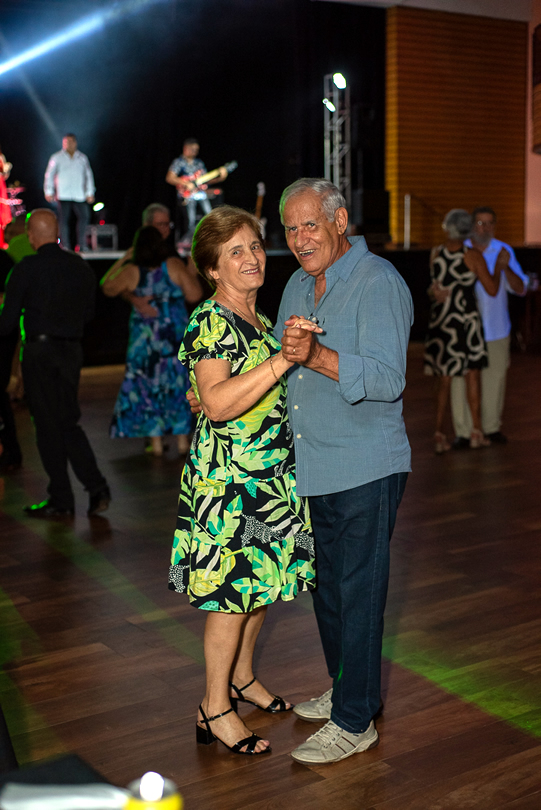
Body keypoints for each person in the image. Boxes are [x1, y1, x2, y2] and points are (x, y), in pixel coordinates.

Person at [263, 177, 410, 765]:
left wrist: (318, 356)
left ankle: (355, 719)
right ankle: (348, 687)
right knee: (327, 594)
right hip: (313, 465)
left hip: (365, 466)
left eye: (310, 224)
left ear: (340, 221)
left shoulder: (378, 281)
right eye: (290, 228)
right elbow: (281, 366)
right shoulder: (297, 285)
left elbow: (388, 378)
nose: (300, 238)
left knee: (359, 595)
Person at [169, 205, 317, 756]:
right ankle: (214, 708)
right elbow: (216, 402)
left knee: (261, 589)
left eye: (254, 245)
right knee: (231, 597)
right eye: (236, 251)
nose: (252, 257)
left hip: (269, 479)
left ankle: (242, 676)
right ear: (213, 269)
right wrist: (282, 360)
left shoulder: (259, 317)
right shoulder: (211, 320)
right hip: (231, 484)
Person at [0, 209, 110, 518]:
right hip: (71, 350)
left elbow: (7, 324)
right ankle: (96, 487)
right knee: (67, 421)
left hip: (40, 352)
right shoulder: (80, 266)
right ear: (58, 232)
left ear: (31, 236)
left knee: (47, 426)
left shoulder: (25, 268)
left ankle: (61, 498)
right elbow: (89, 314)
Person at [101, 225, 203, 456]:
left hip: (145, 342)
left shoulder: (131, 271)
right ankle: (182, 441)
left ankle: (156, 443)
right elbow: (195, 294)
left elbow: (107, 287)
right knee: (178, 386)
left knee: (148, 389)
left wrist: (123, 259)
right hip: (173, 339)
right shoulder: (173, 266)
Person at [450, 206, 528, 447]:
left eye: (489, 223)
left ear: (495, 225)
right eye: (480, 223)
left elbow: (521, 288)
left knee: (495, 378)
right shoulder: (460, 250)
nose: (484, 228)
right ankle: (464, 432)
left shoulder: (503, 251)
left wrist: (505, 267)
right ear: (471, 225)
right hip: (463, 329)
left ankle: (491, 427)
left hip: (496, 328)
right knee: (460, 380)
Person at [424, 209, 500, 453]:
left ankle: (439, 434)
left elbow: (433, 289)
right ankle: (477, 431)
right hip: (466, 322)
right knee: (472, 375)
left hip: (443, 322)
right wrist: (499, 267)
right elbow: (492, 289)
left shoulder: (436, 253)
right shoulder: (472, 256)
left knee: (443, 380)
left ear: (447, 228)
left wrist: (434, 293)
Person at [166, 139, 226, 239]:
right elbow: (170, 178)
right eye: (192, 149)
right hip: (186, 195)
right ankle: (188, 241)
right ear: (185, 148)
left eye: (196, 149)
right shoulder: (179, 162)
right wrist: (186, 183)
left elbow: (205, 180)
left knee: (209, 215)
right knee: (191, 220)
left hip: (199, 193)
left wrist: (220, 178)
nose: (195, 152)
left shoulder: (198, 163)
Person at [44, 133, 95, 251]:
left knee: (85, 216)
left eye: (70, 142)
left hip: (79, 194)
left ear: (75, 143)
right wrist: (49, 191)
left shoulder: (82, 158)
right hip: (63, 194)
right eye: (65, 142)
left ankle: (82, 244)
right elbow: (49, 175)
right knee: (63, 220)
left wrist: (90, 192)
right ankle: (65, 246)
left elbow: (88, 175)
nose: (68, 145)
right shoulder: (56, 157)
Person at [0, 147, 12, 247]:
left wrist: (6, 169)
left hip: (1, 186)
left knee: (1, 217)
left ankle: (1, 242)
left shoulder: (1, 157)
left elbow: (4, 175)